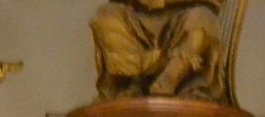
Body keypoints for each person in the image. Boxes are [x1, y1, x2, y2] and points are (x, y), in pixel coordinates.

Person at [91, 0, 229, 100]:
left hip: (183, 19)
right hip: (137, 19)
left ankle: (169, 78)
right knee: (107, 14)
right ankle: (135, 80)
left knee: (203, 19)